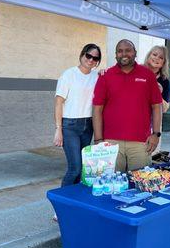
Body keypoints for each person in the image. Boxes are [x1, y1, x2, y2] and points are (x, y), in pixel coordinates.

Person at [92, 39, 163, 172]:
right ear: (115, 55)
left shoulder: (147, 75)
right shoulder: (105, 76)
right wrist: (98, 140)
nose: (124, 54)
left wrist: (156, 134)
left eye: (128, 50)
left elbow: (156, 106)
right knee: (111, 185)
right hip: (110, 143)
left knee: (141, 186)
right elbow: (97, 109)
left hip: (141, 143)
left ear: (135, 53)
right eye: (120, 51)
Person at [54, 43, 101, 187]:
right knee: (75, 168)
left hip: (88, 126)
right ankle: (62, 203)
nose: (91, 60)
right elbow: (58, 102)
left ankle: (74, 201)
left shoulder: (97, 76)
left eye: (95, 58)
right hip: (70, 126)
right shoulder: (68, 75)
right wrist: (58, 129)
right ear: (82, 54)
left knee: (82, 171)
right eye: (88, 56)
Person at [143, 45, 170, 113]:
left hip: (153, 120)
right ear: (149, 56)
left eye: (161, 57)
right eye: (154, 54)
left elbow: (164, 109)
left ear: (163, 63)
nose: (157, 58)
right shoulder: (138, 72)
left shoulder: (165, 81)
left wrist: (157, 93)